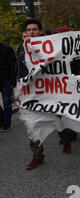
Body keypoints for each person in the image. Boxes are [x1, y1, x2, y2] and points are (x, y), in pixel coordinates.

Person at [21, 19, 74, 170]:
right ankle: (37, 156)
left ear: (40, 32)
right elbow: (19, 68)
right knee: (33, 124)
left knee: (57, 120)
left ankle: (66, 139)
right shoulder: (22, 48)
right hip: (32, 94)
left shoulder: (50, 47)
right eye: (29, 29)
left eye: (34, 29)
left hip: (51, 92)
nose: (31, 32)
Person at [0, 41, 16, 131]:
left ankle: (7, 123)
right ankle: (2, 120)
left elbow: (13, 65)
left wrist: (13, 81)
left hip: (6, 80)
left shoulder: (7, 49)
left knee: (7, 103)